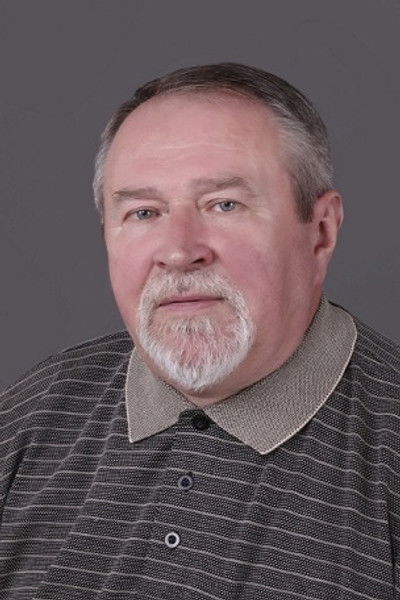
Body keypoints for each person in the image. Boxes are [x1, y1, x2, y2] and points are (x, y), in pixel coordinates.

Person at [1, 63, 399, 600]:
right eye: (144, 212)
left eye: (224, 204)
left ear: (321, 232)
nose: (179, 250)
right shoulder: (32, 414)